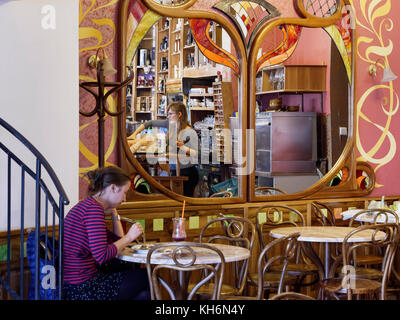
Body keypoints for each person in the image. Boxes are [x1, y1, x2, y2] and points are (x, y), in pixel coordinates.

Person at [63, 166, 150, 300]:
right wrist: (130, 237)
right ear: (113, 188)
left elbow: (117, 241)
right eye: (124, 192)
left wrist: (115, 215)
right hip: (84, 288)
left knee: (143, 294)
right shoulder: (94, 210)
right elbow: (102, 256)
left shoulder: (88, 205)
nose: (125, 199)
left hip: (75, 285)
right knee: (148, 276)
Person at [128, 102, 199, 197]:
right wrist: (134, 134)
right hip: (174, 172)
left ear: (179, 114)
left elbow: (196, 153)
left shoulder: (189, 131)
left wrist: (182, 147)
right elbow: (150, 123)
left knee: (185, 204)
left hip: (187, 173)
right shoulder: (170, 124)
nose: (168, 117)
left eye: (170, 114)